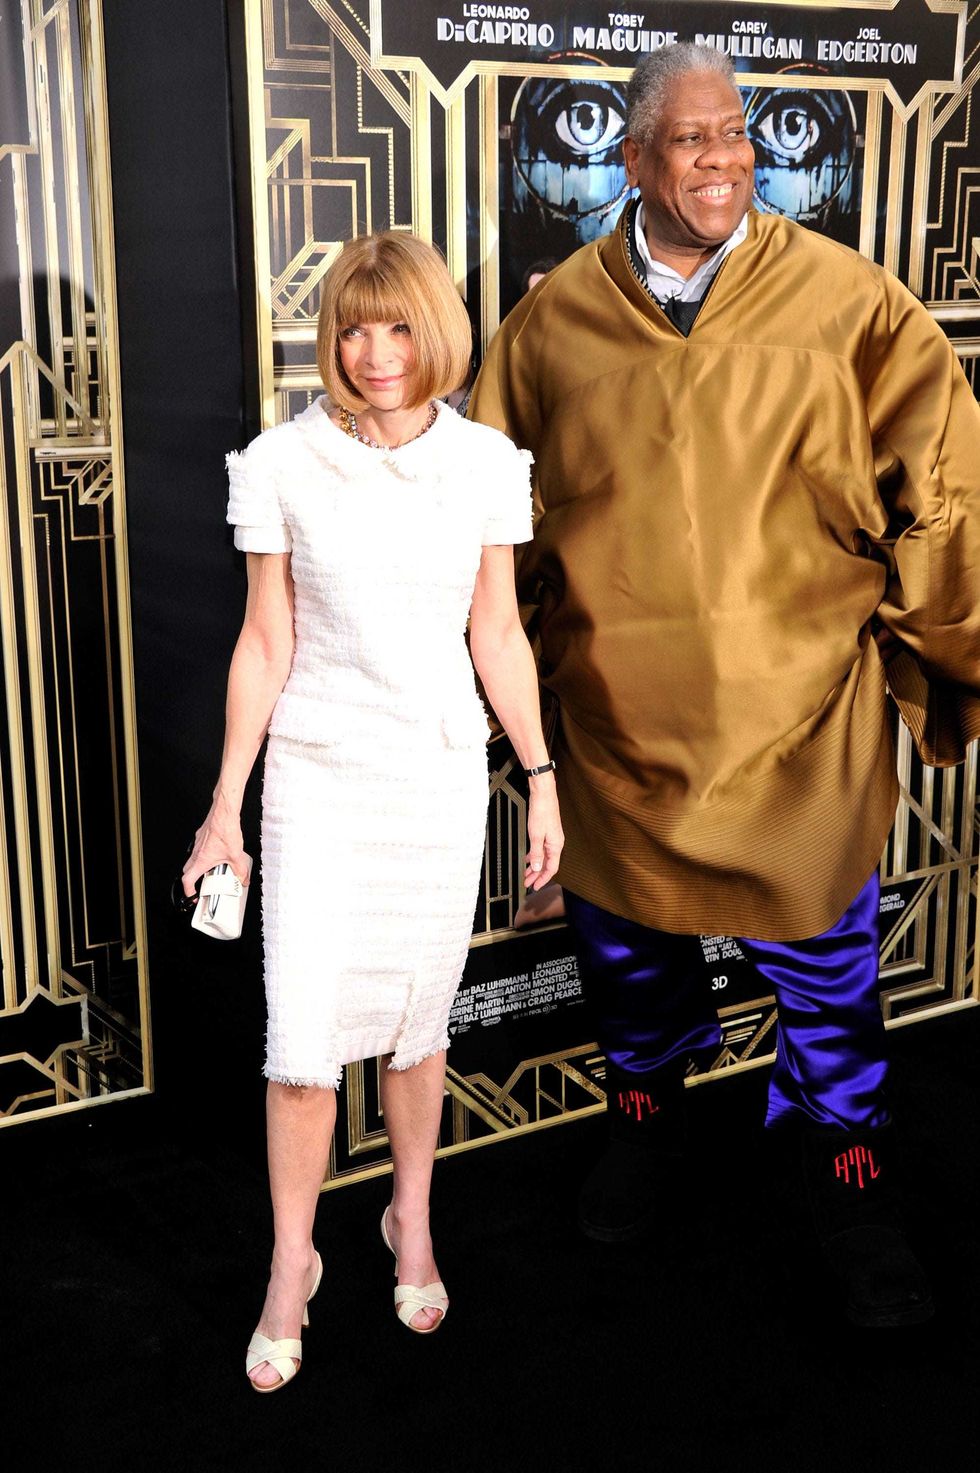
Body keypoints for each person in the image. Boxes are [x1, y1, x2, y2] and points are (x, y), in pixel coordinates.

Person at [469, 43, 980, 1327]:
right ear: (630, 160)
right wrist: (506, 701)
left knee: (825, 977)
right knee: (630, 965)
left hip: (795, 718)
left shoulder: (850, 303)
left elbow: (944, 484)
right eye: (688, 140)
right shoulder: (551, 323)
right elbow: (485, 527)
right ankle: (647, 1129)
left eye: (735, 136)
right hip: (615, 725)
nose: (721, 159)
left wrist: (949, 656)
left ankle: (845, 1184)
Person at [182, 230, 563, 1391]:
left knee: (416, 1028)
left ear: (434, 330)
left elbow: (496, 631)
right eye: (353, 326)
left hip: (437, 780)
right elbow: (265, 638)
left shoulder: (489, 461)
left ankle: (411, 1220)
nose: (375, 350)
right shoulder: (281, 463)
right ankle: (291, 1263)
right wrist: (223, 809)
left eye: (398, 326)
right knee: (299, 1049)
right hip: (318, 781)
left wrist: (540, 778)